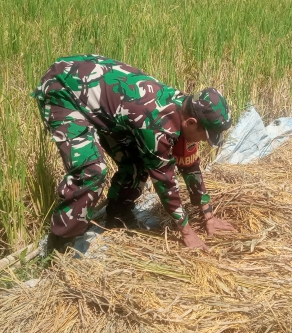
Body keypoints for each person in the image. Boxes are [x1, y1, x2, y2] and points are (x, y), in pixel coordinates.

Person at [32, 54, 236, 251]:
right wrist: (186, 231)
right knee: (91, 171)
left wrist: (208, 216)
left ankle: (118, 217)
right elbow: (165, 182)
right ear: (192, 122)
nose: (202, 141)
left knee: (137, 162)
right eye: (204, 136)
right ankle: (60, 243)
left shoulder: (185, 111)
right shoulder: (156, 124)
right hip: (64, 89)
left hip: (100, 97)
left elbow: (190, 165)